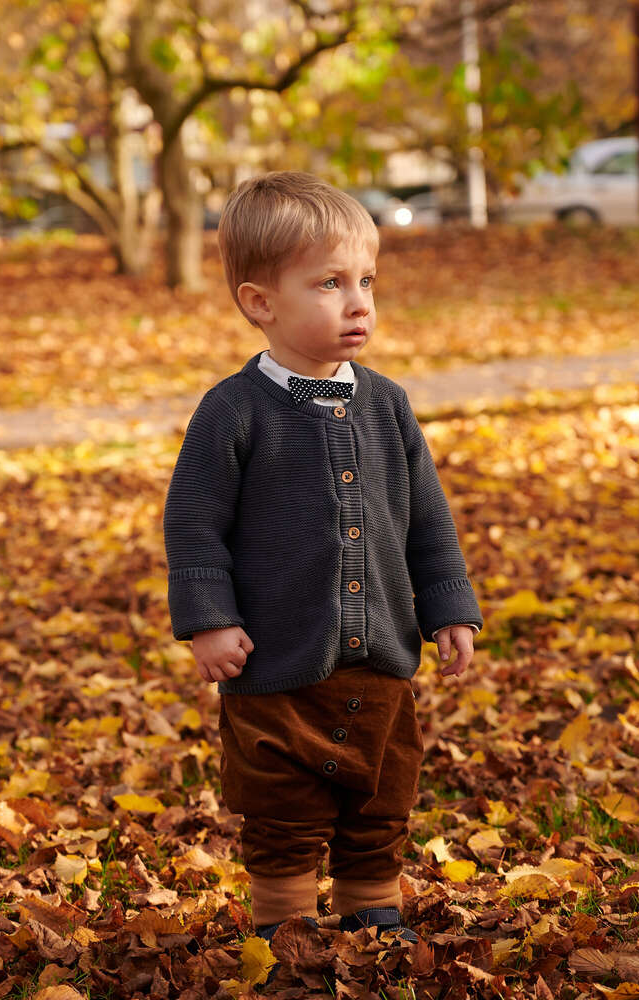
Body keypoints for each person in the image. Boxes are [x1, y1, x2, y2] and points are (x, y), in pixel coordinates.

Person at [163, 172, 483, 946]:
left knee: (381, 795)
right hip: (274, 665)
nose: (360, 301)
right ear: (261, 303)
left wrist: (450, 608)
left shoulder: (387, 404)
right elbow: (193, 522)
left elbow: (427, 518)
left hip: (378, 659)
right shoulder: (233, 411)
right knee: (282, 805)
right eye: (330, 283)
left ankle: (373, 907)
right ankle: (283, 924)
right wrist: (209, 620)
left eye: (367, 281)